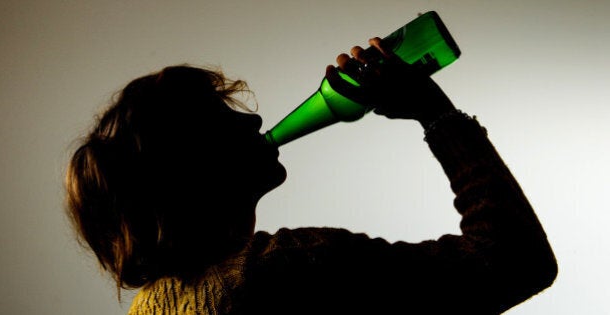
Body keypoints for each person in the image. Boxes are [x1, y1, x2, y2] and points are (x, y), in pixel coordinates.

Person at [65, 37, 557, 314]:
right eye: (221, 117)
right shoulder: (284, 270)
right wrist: (437, 115)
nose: (254, 120)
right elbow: (515, 262)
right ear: (188, 168)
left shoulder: (150, 310)